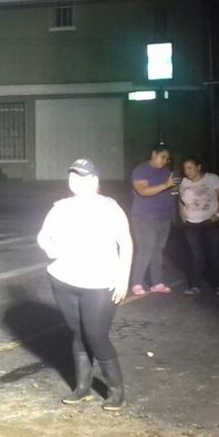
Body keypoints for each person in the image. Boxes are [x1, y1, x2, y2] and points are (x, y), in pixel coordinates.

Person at [37, 158, 133, 411]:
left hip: (100, 283)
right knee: (78, 333)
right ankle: (83, 387)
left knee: (96, 335)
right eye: (73, 176)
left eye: (83, 176)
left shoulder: (110, 208)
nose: (76, 181)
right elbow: (44, 237)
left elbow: (126, 243)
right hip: (64, 280)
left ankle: (116, 391)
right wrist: (51, 247)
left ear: (94, 181)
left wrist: (123, 277)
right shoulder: (60, 207)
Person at [129, 143, 177, 296]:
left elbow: (169, 190)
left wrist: (174, 187)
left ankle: (157, 283)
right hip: (145, 217)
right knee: (145, 250)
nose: (164, 161)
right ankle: (136, 283)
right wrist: (166, 185)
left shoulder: (166, 171)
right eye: (162, 157)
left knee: (158, 250)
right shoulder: (141, 170)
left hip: (164, 217)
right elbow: (143, 191)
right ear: (154, 154)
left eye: (167, 159)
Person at [178, 157, 219, 296]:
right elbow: (181, 200)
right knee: (196, 254)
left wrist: (218, 214)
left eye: (190, 167)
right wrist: (182, 213)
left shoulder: (212, 178)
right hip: (191, 223)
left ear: (199, 167)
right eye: (185, 168)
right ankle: (195, 285)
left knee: (214, 254)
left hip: (210, 223)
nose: (187, 171)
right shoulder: (184, 182)